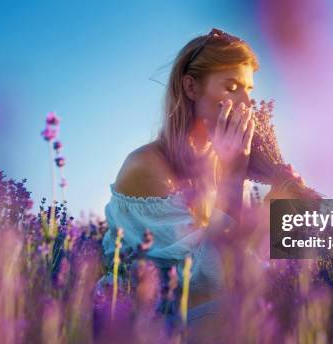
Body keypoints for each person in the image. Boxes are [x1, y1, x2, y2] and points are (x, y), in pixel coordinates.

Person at [101, 28, 279, 336]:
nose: (247, 103)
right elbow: (207, 280)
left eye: (249, 89)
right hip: (154, 324)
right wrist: (233, 179)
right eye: (232, 86)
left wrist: (282, 188)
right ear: (191, 87)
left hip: (221, 310)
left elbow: (249, 256)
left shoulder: (223, 160)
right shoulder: (146, 166)